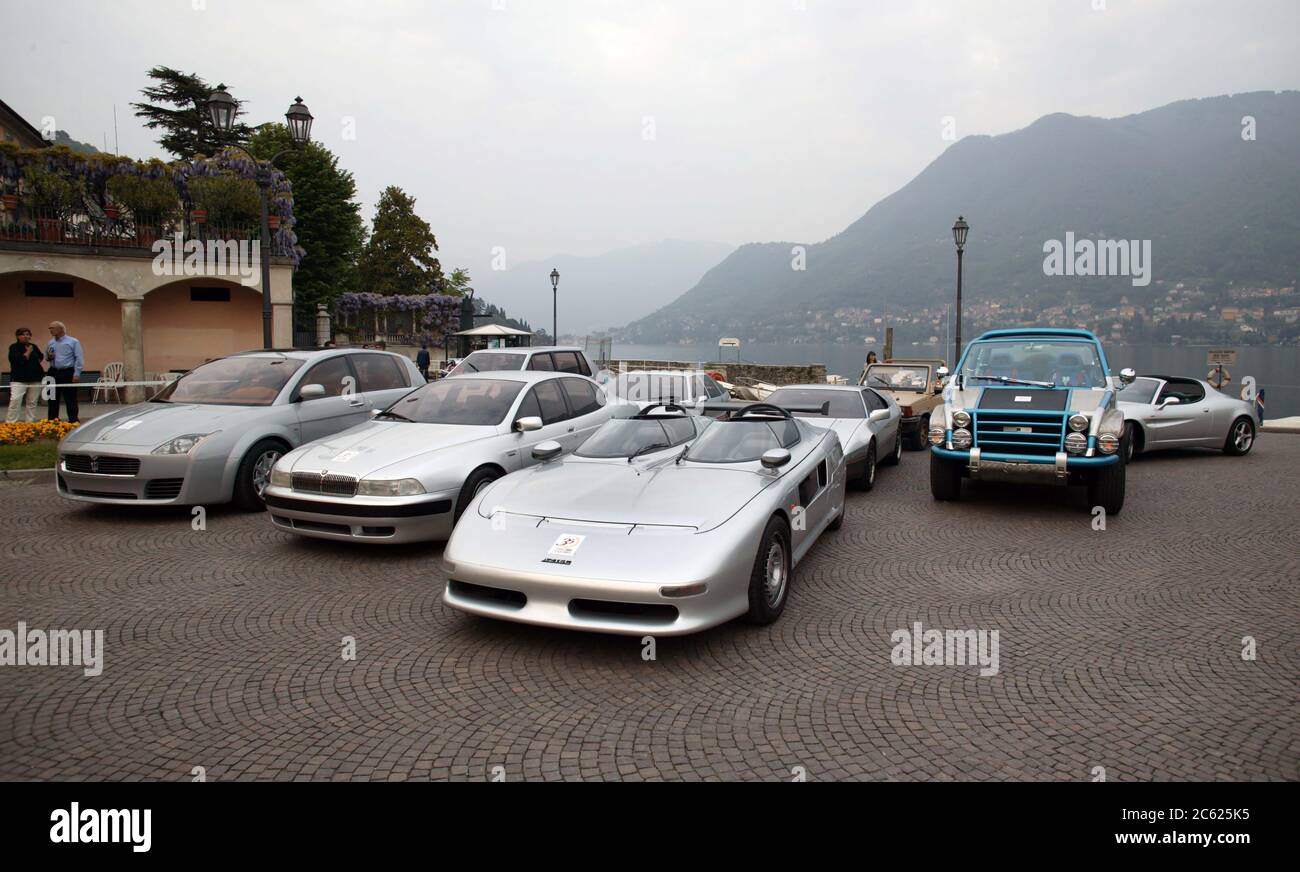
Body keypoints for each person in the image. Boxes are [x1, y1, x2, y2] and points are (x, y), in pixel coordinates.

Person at [45, 321, 83, 423]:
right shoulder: (50, 342)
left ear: (61, 329)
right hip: (53, 372)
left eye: (52, 328)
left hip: (67, 372)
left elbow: (79, 358)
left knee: (70, 398)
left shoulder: (73, 341)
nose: (50, 330)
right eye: (49, 328)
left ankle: (73, 421)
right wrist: (49, 357)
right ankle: (53, 421)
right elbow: (47, 357)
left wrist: (76, 374)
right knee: (52, 398)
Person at [6, 327, 45, 422]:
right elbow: (19, 361)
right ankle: (11, 424)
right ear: (18, 336)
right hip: (19, 379)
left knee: (32, 402)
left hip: (35, 378)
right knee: (15, 401)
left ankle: (29, 423)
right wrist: (28, 352)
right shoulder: (14, 347)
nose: (26, 336)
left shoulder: (34, 346)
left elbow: (40, 357)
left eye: (28, 334)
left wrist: (34, 365)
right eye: (23, 334)